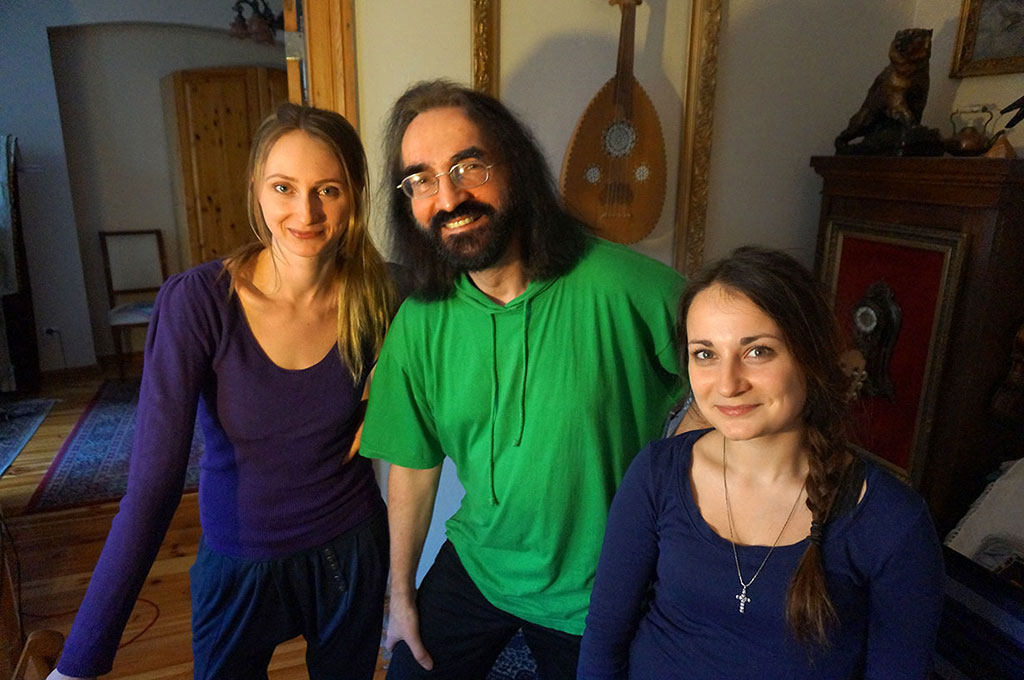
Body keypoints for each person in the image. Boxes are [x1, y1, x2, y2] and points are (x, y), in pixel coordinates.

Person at [49, 103, 399, 680]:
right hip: (239, 561)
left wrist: (390, 401)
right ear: (257, 190)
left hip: (351, 549)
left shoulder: (385, 292)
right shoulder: (199, 302)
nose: (306, 212)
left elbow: (459, 300)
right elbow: (152, 486)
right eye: (284, 187)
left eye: (328, 190)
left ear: (354, 195)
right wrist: (78, 662)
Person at [358, 79, 688, 680]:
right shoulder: (421, 322)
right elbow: (412, 463)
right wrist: (400, 595)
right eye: (422, 180)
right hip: (480, 564)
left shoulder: (625, 286)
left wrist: (692, 445)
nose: (449, 196)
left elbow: (733, 370)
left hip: (597, 590)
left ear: (513, 166)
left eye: (468, 166)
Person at [578, 246, 946, 679]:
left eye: (757, 352)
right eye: (705, 354)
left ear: (810, 355)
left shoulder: (893, 522)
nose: (727, 384)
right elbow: (604, 639)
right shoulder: (657, 473)